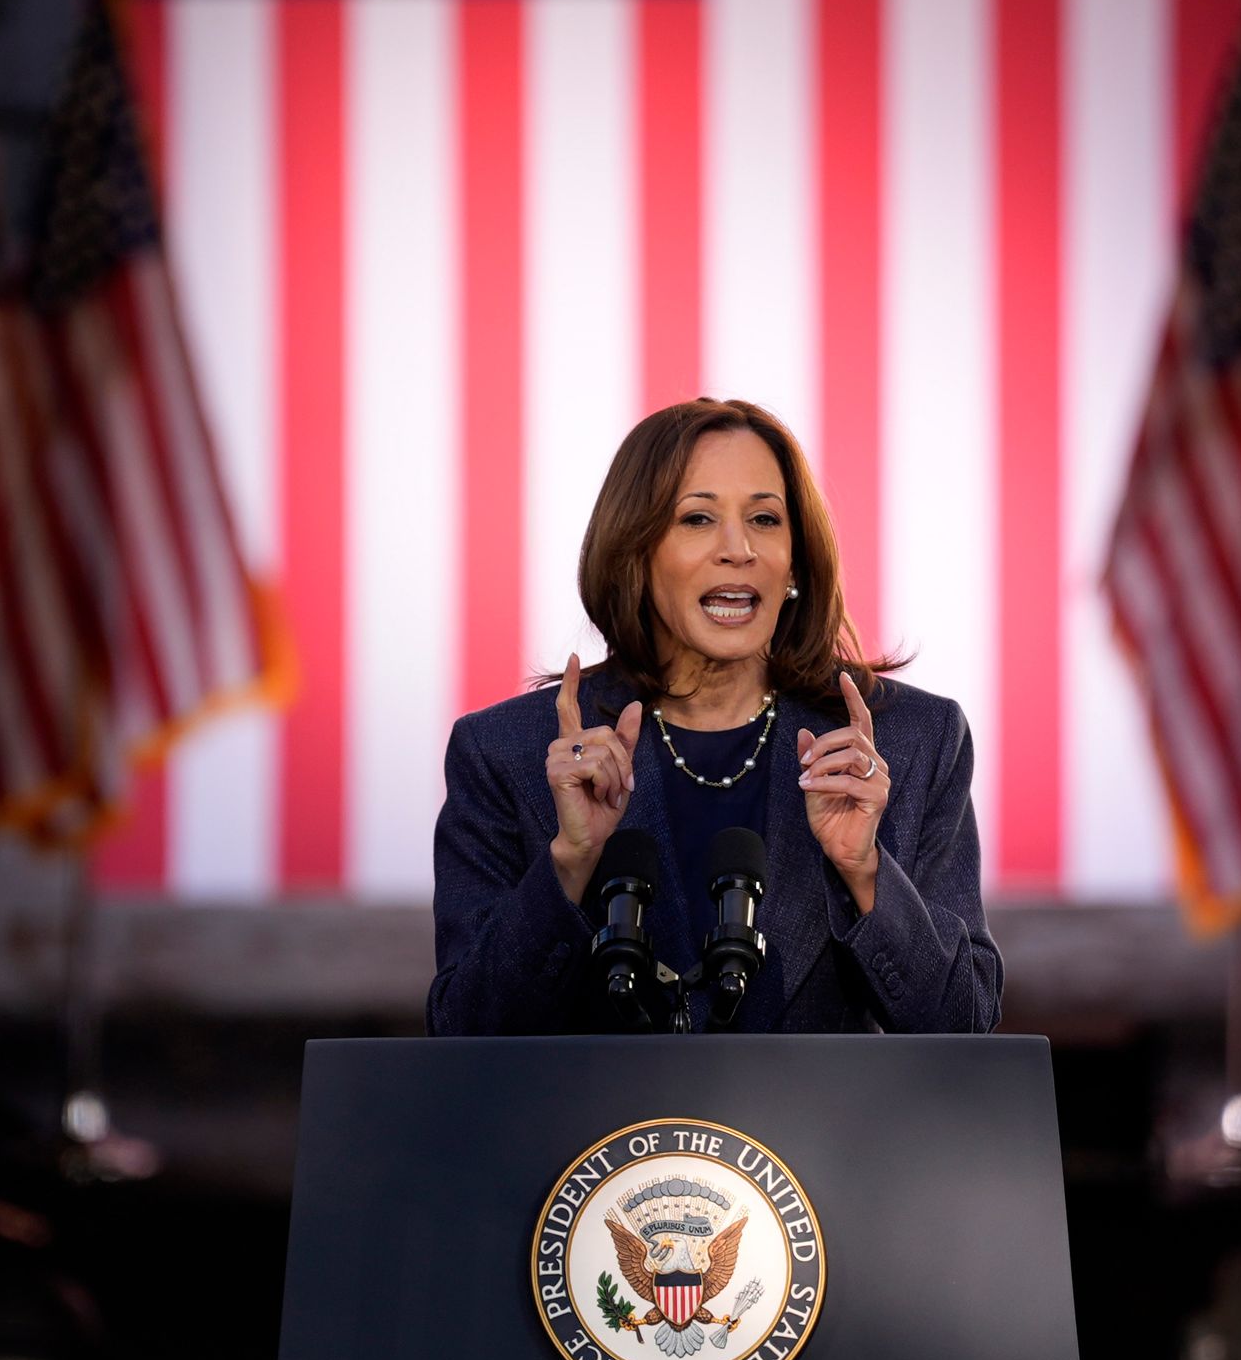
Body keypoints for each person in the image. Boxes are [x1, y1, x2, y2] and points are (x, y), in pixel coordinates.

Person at [428, 397, 1001, 1034]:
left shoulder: (911, 742)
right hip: (599, 1136)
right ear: (635, 555)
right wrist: (569, 863)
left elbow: (964, 1026)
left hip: (818, 1136)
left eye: (764, 518)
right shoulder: (508, 752)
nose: (739, 548)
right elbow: (461, 1032)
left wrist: (865, 872)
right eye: (697, 519)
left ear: (795, 563)